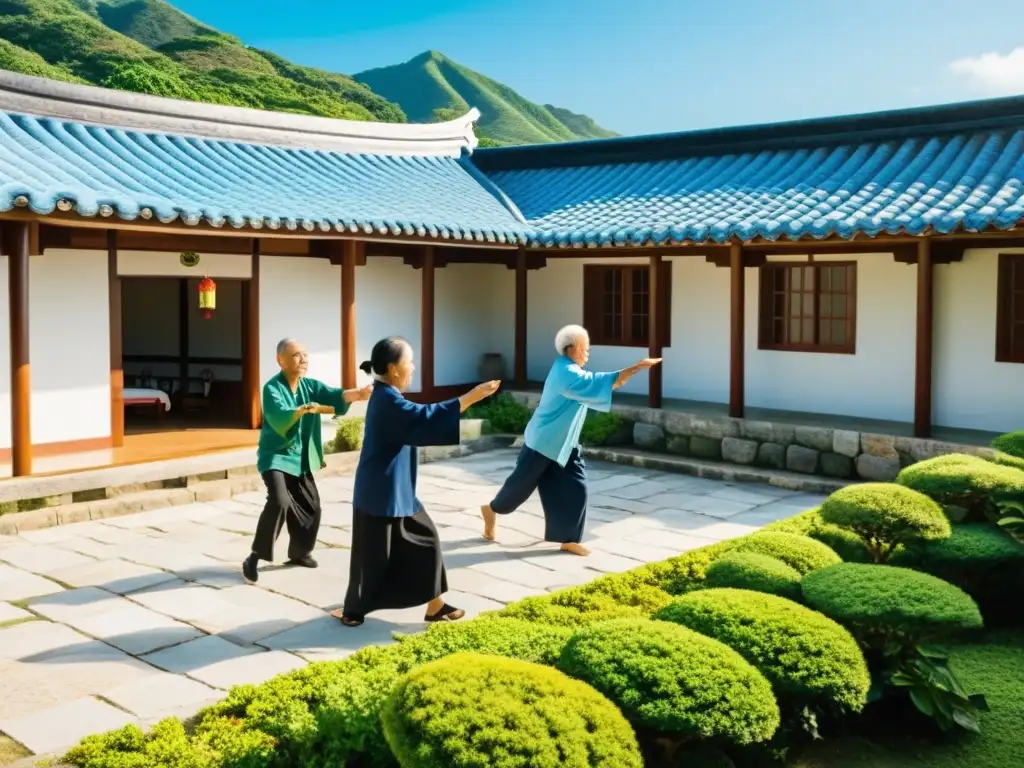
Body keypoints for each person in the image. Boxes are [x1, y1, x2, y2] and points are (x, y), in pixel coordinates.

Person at [333, 336, 500, 627]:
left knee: (425, 541)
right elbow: (425, 417)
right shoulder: (387, 400)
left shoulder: (389, 396)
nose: (413, 367)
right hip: (380, 492)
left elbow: (420, 421)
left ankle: (434, 605)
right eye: (409, 362)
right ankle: (353, 610)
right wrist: (472, 396)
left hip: (397, 490)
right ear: (394, 369)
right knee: (372, 558)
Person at [480, 324, 661, 556]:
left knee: (576, 489)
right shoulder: (566, 372)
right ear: (573, 348)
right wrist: (635, 368)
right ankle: (492, 510)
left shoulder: (571, 370)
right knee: (518, 490)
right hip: (543, 442)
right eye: (585, 348)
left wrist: (632, 369)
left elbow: (597, 381)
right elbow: (600, 382)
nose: (588, 353)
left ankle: (568, 539)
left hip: (566, 443)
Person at [242, 338, 371, 584]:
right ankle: (255, 557)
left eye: (305, 355)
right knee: (279, 501)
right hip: (276, 457)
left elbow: (334, 395)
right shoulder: (272, 389)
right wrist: (300, 411)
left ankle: (299, 553)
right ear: (280, 360)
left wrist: (360, 394)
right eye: (296, 355)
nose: (303, 360)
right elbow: (279, 418)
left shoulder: (308, 385)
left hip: (299, 459)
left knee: (312, 506)